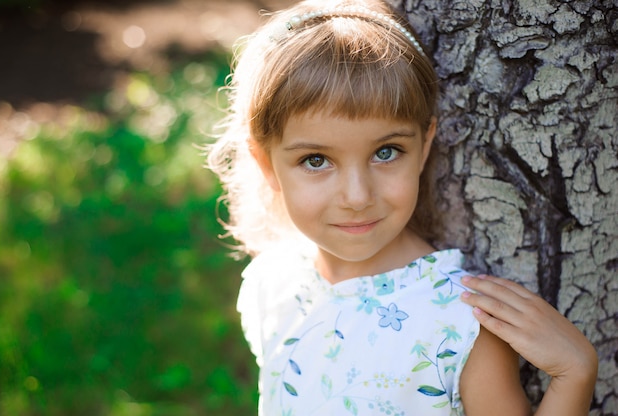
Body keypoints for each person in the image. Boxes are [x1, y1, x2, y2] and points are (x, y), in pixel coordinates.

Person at [207, 0, 598, 414]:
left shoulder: (459, 325)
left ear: (425, 143)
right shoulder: (275, 284)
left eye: (387, 152)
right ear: (266, 163)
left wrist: (575, 374)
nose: (357, 197)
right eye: (316, 160)